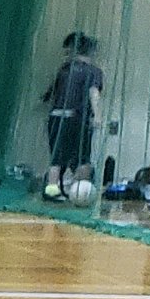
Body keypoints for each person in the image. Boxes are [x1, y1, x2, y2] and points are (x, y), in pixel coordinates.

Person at [41, 32, 104, 202]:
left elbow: (50, 94)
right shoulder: (93, 71)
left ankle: (52, 190)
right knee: (83, 158)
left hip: (56, 116)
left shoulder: (64, 70)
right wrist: (97, 115)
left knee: (56, 157)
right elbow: (93, 92)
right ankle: (80, 192)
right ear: (91, 52)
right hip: (77, 118)